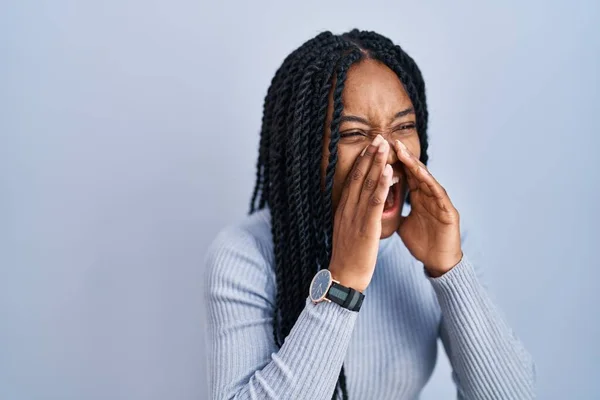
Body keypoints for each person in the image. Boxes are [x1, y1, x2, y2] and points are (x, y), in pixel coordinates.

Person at [204, 29, 535, 400]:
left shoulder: (444, 242)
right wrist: (343, 282)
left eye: (404, 127)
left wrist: (450, 270)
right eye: (353, 134)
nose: (387, 152)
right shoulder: (245, 253)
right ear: (305, 152)